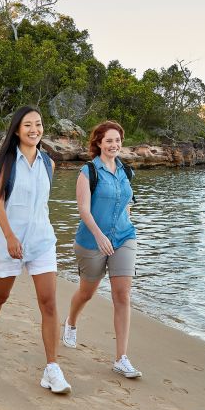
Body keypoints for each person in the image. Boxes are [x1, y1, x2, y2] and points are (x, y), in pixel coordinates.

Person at [0, 106, 71, 394]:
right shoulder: (4, 163)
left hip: (42, 241)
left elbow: (41, 205)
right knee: (1, 295)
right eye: (27, 124)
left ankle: (52, 369)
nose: (34, 129)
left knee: (49, 303)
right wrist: (9, 237)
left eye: (38, 124)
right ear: (17, 129)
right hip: (10, 241)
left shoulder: (48, 163)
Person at [62, 121, 142, 378]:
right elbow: (83, 209)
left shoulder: (126, 171)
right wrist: (99, 236)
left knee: (123, 295)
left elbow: (127, 202)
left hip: (124, 237)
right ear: (98, 143)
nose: (114, 145)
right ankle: (71, 321)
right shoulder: (88, 171)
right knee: (87, 292)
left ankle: (121, 358)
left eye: (117, 140)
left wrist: (125, 224)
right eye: (108, 141)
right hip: (91, 240)